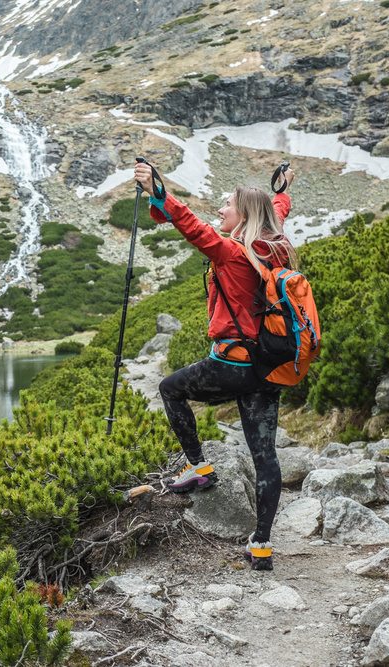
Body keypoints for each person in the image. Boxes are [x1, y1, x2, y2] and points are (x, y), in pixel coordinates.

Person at [133, 161, 297, 571]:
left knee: (171, 389)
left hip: (230, 364)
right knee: (266, 458)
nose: (220, 209)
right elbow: (277, 208)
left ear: (244, 215)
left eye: (227, 205)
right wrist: (282, 190)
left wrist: (158, 191)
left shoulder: (230, 252)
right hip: (266, 368)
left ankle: (198, 467)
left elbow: (192, 226)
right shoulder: (271, 245)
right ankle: (261, 544)